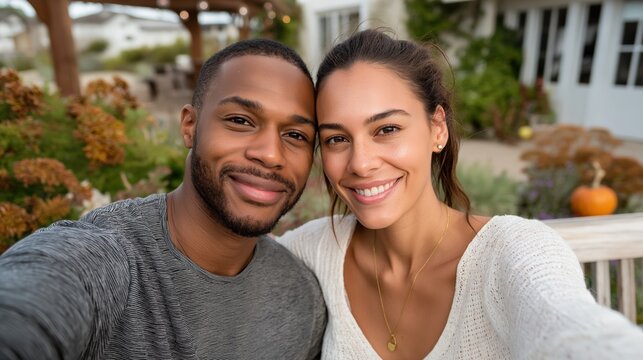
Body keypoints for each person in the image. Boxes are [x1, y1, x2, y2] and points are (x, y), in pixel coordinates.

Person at [278, 29, 643, 359]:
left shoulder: (513, 253)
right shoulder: (316, 251)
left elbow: (570, 329)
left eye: (387, 129)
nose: (360, 163)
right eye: (337, 139)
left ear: (437, 129)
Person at [0, 39, 326, 359]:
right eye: (240, 121)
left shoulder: (301, 299)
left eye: (295, 135)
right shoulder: (109, 257)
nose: (270, 154)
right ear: (189, 126)